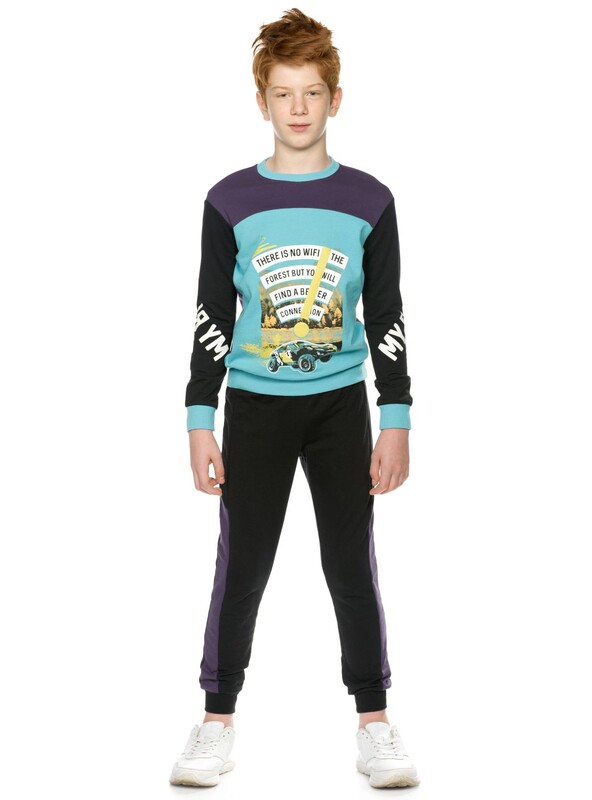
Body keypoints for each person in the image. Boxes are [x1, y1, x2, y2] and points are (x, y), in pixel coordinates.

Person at [169, 7, 420, 790]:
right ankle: (215, 720)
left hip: (341, 405)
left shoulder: (370, 199)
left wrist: (396, 416)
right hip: (255, 407)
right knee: (241, 564)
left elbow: (387, 315)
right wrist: (200, 418)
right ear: (262, 102)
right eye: (283, 93)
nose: (299, 107)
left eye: (312, 92)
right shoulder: (229, 200)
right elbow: (212, 315)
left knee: (351, 563)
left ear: (335, 99)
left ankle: (375, 722)